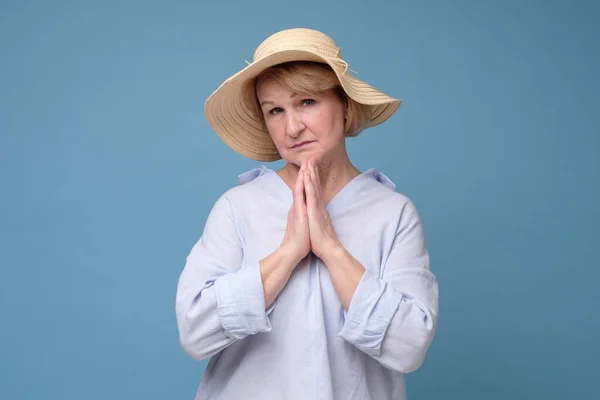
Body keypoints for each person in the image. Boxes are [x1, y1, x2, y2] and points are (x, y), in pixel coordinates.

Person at [175, 28, 439, 400]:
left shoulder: (392, 213)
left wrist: (330, 247)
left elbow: (409, 346)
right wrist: (289, 251)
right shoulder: (238, 207)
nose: (292, 127)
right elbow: (194, 331)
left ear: (345, 106)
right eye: (275, 111)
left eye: (307, 103)